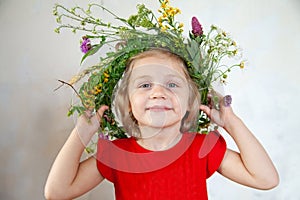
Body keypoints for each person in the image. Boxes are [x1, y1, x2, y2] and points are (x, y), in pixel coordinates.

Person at [44, 48, 279, 199]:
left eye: (172, 84)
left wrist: (231, 122)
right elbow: (57, 192)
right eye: (145, 85)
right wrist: (82, 133)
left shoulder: (202, 148)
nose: (158, 92)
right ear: (127, 104)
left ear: (190, 102)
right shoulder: (117, 154)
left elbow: (266, 179)